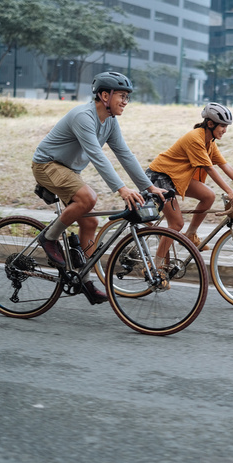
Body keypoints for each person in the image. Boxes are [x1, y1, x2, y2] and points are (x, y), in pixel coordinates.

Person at [32, 71, 164, 304]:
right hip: (47, 165)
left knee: (91, 221)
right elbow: (96, 156)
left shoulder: (110, 122)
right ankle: (49, 238)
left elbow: (124, 154)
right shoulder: (84, 116)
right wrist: (122, 189)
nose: (125, 101)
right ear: (105, 95)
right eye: (121, 96)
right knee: (87, 199)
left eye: (127, 97)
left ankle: (85, 280)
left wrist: (149, 187)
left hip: (68, 170)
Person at [145, 102, 233, 250]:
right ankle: (157, 267)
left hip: (177, 177)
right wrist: (230, 192)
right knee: (176, 224)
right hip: (159, 177)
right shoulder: (195, 138)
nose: (225, 130)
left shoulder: (209, 143)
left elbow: (225, 165)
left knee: (208, 196)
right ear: (210, 124)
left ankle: (190, 234)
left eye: (226, 127)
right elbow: (210, 169)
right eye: (222, 126)